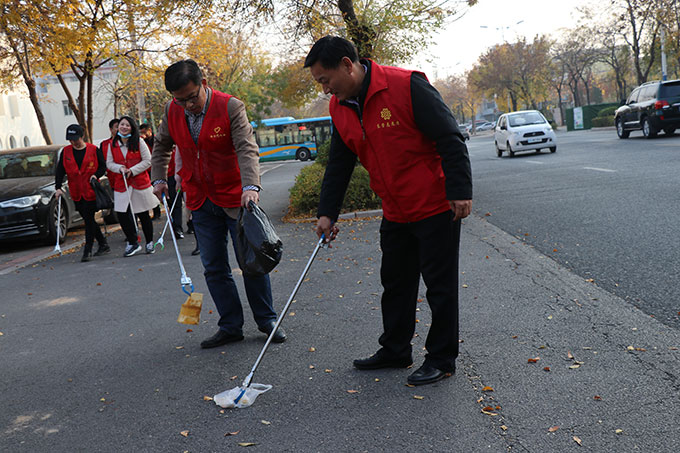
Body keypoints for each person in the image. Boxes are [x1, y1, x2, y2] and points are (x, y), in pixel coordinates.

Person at [305, 36, 473, 386]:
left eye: (325, 79)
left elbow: (449, 137)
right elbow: (339, 163)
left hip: (433, 203)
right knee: (396, 283)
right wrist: (327, 213)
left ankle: (441, 358)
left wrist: (459, 191)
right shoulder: (339, 106)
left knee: (439, 286)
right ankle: (395, 349)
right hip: (394, 209)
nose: (325, 89)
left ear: (347, 65)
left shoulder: (406, 86)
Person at [150, 59, 285, 348]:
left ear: (204, 84)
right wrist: (158, 178)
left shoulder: (230, 106)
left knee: (251, 263)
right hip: (199, 199)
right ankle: (230, 325)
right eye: (179, 100)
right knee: (213, 267)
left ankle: (267, 320)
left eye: (191, 97)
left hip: (236, 198)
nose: (187, 106)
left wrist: (250, 186)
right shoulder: (172, 111)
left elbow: (246, 148)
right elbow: (161, 145)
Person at [55, 124, 110, 262]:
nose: (73, 142)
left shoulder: (93, 150)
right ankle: (103, 244)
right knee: (88, 219)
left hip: (90, 191)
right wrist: (58, 187)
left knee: (89, 219)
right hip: (76, 192)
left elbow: (103, 166)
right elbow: (60, 170)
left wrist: (96, 175)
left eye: (76, 139)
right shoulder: (66, 152)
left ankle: (88, 250)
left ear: (82, 136)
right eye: (70, 139)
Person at [106, 115, 159, 256]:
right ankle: (132, 242)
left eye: (127, 125)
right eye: (121, 124)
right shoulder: (112, 144)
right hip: (121, 183)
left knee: (143, 213)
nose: (124, 127)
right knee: (122, 214)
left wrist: (133, 170)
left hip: (139, 182)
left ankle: (149, 242)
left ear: (132, 128)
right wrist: (120, 168)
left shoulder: (139, 142)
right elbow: (109, 163)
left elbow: (148, 160)